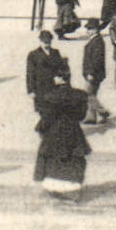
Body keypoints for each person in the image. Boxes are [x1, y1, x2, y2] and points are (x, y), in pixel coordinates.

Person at [33, 67, 92, 198]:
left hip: (54, 133)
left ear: (59, 79)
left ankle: (55, 189)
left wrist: (41, 128)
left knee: (53, 159)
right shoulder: (80, 95)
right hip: (73, 131)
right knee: (73, 159)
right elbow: (81, 116)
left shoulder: (50, 97)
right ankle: (72, 190)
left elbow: (47, 118)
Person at [80, 18, 112, 124]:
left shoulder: (97, 41)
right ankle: (91, 117)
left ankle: (102, 112)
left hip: (94, 74)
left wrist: (91, 73)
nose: (87, 31)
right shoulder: (95, 40)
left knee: (88, 94)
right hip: (93, 73)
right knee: (91, 94)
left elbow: (96, 60)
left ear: (96, 30)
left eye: (90, 29)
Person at [25, 30, 67, 99]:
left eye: (49, 41)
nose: (47, 43)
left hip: (54, 87)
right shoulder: (33, 54)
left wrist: (59, 77)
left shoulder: (55, 52)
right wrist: (31, 90)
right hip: (40, 88)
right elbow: (30, 73)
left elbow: (60, 68)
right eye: (45, 41)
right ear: (40, 41)